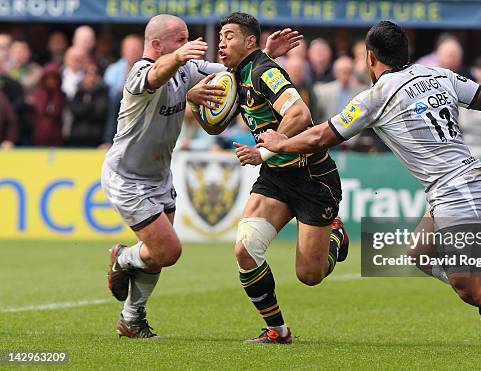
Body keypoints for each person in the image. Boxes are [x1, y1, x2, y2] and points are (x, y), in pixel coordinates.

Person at [258, 21, 481, 355]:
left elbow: (321, 136)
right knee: (420, 253)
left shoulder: (375, 96)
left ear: (370, 58)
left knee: (471, 284)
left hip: (458, 190)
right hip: (463, 183)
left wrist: (280, 143)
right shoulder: (439, 75)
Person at [102, 13, 302, 339]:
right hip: (127, 176)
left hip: (159, 175)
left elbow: (237, 75)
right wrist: (179, 59)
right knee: (168, 251)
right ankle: (122, 258)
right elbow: (153, 77)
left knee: (155, 253)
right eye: (180, 40)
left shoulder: (187, 69)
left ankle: (131, 318)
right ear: (157, 44)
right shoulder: (138, 72)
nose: (189, 46)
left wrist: (264, 55)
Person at [187, 12, 349, 344]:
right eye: (220, 36)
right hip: (276, 178)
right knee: (245, 250)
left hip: (312, 177)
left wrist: (263, 152)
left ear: (249, 41)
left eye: (229, 36)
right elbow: (215, 125)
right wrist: (193, 100)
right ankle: (278, 329)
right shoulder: (237, 75)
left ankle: (335, 235)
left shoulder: (264, 71)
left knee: (309, 275)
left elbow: (300, 114)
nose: (221, 42)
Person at [67, 63, 109, 147]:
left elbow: (100, 112)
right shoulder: (78, 92)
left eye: (95, 74)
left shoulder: (103, 92)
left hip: (96, 137)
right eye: (89, 74)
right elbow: (75, 110)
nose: (91, 78)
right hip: (77, 136)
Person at [30, 63, 66, 146]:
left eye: (54, 78)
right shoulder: (37, 94)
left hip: (57, 135)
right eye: (49, 78)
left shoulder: (61, 95)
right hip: (38, 134)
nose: (51, 81)